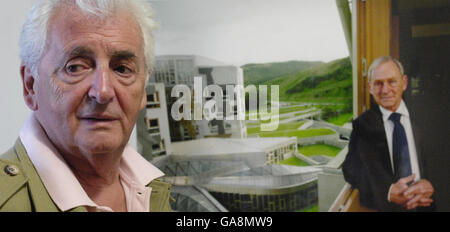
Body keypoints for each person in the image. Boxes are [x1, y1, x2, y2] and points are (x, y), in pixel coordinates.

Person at [0, 0, 172, 212]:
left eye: (122, 69)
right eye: (75, 67)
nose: (103, 91)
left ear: (143, 89)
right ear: (30, 86)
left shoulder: (153, 191)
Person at [342, 56, 434, 212]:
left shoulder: (428, 118)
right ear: (370, 87)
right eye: (378, 83)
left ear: (404, 83)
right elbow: (350, 170)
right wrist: (388, 190)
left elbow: (442, 161)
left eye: (392, 81)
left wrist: (432, 184)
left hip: (427, 206)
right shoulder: (363, 126)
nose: (385, 90)